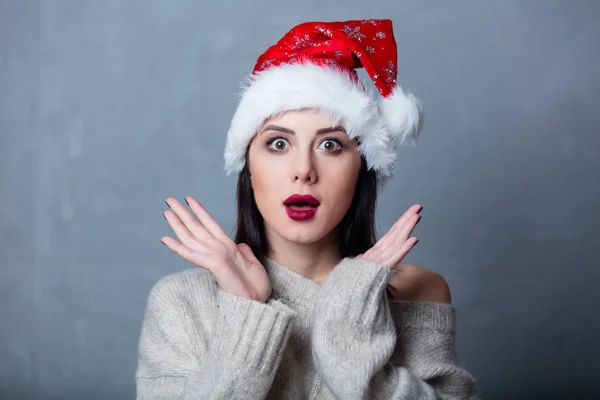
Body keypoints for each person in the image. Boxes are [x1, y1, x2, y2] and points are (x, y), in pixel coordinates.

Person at [135, 19, 480, 399]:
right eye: (278, 144)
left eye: (330, 145)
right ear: (249, 168)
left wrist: (352, 307)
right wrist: (246, 312)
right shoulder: (180, 301)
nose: (303, 171)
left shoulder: (418, 290)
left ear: (362, 169)